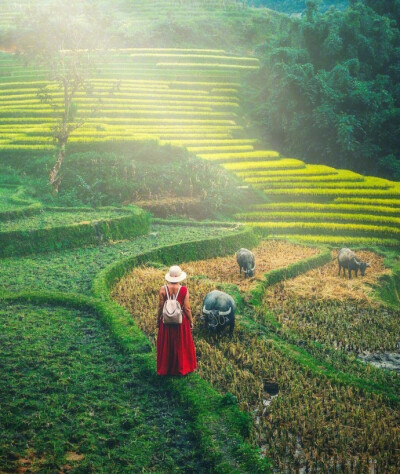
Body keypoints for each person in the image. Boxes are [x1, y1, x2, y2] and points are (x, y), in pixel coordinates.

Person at [156, 265, 197, 376]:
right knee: (181, 345)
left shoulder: (163, 289)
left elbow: (160, 306)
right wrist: (191, 321)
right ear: (179, 278)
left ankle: (167, 369)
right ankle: (181, 368)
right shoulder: (184, 290)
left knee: (167, 345)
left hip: (166, 322)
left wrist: (158, 319)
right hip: (180, 322)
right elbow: (187, 308)